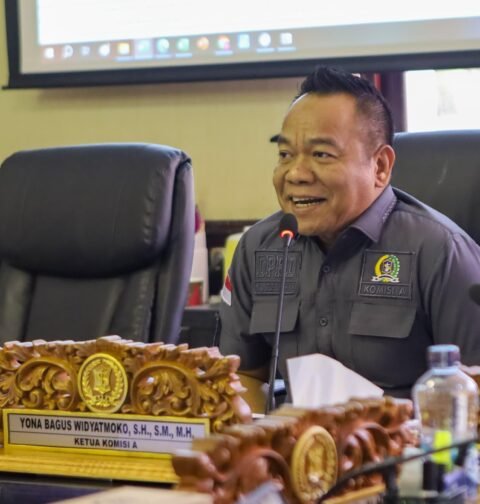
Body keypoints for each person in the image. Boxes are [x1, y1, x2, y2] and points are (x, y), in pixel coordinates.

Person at [218, 65, 480, 400]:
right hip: (297, 432)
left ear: (380, 167)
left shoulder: (441, 252)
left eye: (321, 154)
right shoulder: (260, 247)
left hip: (408, 434)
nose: (295, 174)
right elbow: (243, 375)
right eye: (285, 155)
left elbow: (471, 392)